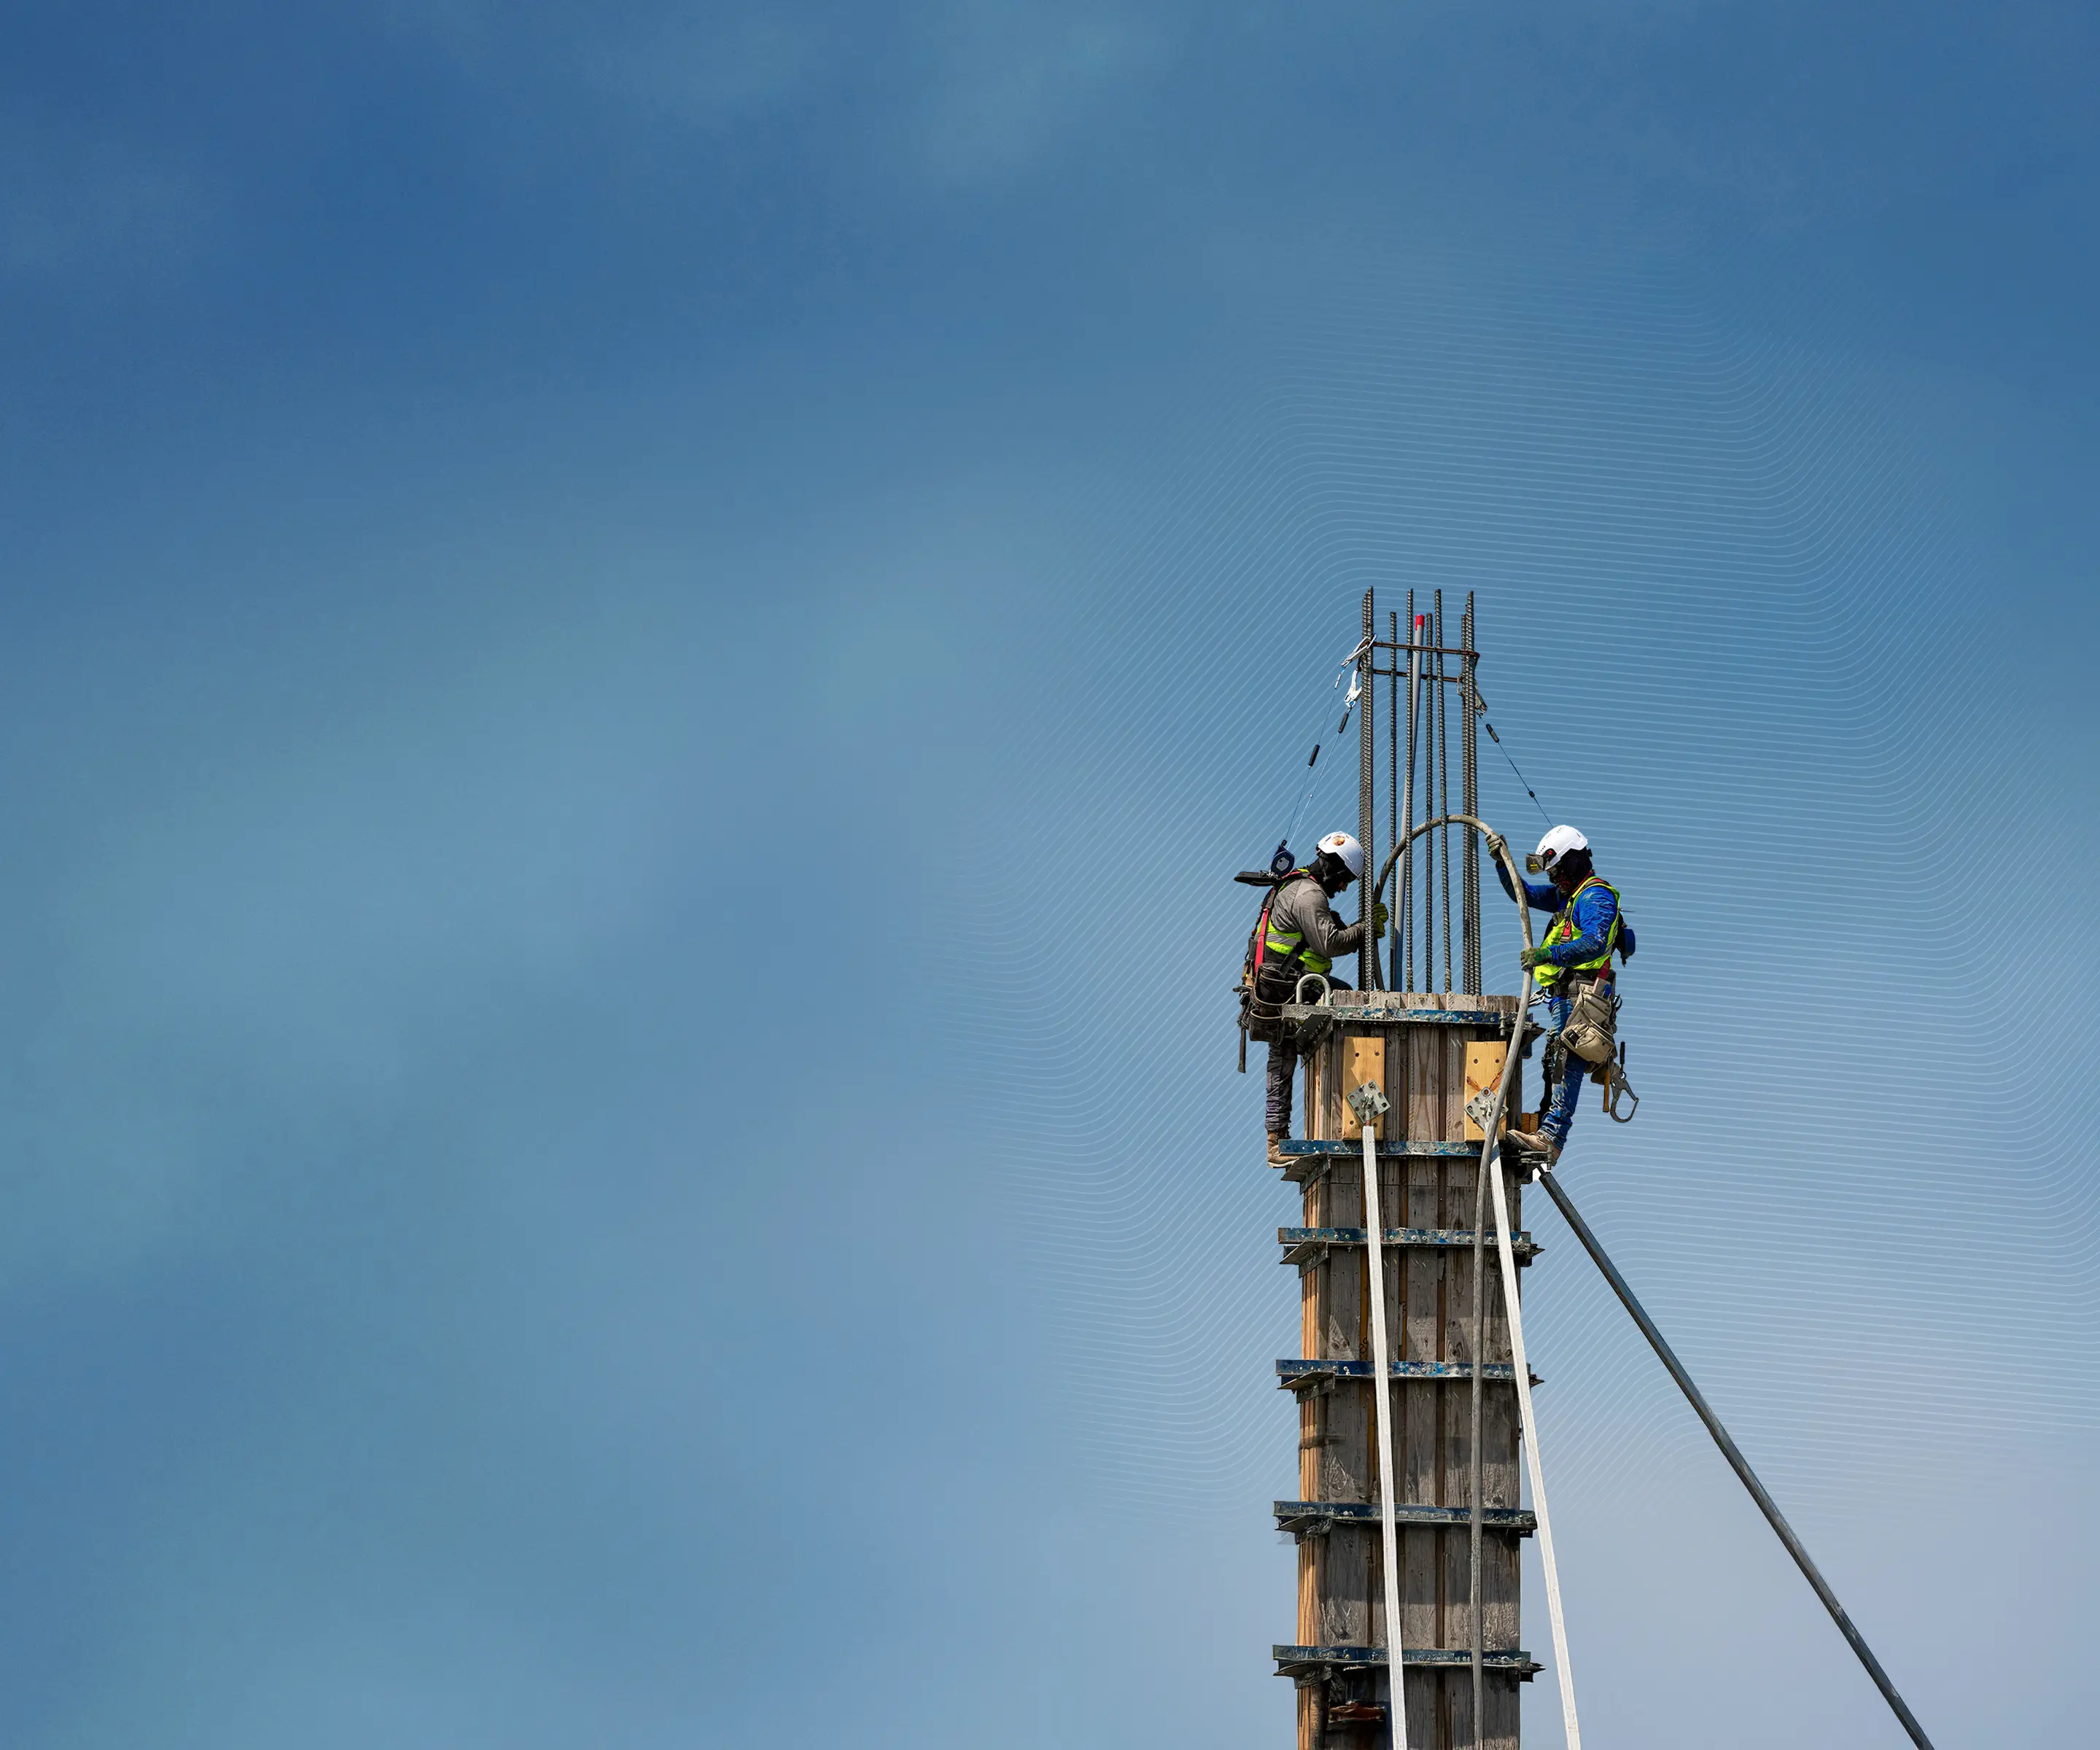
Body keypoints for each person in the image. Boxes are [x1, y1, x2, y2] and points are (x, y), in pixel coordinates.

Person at [1485, 824, 1633, 1164]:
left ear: (1576, 860)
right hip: (1565, 995)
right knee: (1555, 1062)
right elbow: (1522, 894)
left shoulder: (1595, 896)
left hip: (1583, 995)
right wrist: (1501, 861)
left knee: (1567, 1063)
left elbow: (1596, 941)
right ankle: (1542, 1129)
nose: (1556, 880)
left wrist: (1549, 955)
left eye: (1560, 871)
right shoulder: (1568, 897)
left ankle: (1551, 1137)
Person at [1259, 831, 1387, 1167]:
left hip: (1282, 984)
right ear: (1332, 867)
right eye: (1345, 879)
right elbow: (1328, 943)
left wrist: (1359, 926)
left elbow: (1329, 928)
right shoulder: (1309, 895)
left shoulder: (1300, 887)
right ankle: (1358, 1112)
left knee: (1283, 1056)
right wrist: (1365, 929)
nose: (1344, 887)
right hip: (1292, 985)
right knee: (1356, 1010)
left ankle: (1278, 1140)